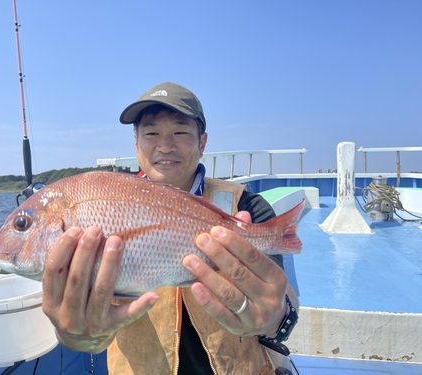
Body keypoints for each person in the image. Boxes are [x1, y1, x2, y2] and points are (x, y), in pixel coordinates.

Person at [42, 82, 299, 374]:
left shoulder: (248, 208)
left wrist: (275, 317)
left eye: (180, 132)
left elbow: (283, 299)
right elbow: (93, 341)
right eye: (151, 133)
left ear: (202, 143)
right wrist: (75, 335)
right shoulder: (103, 211)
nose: (165, 145)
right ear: (136, 144)